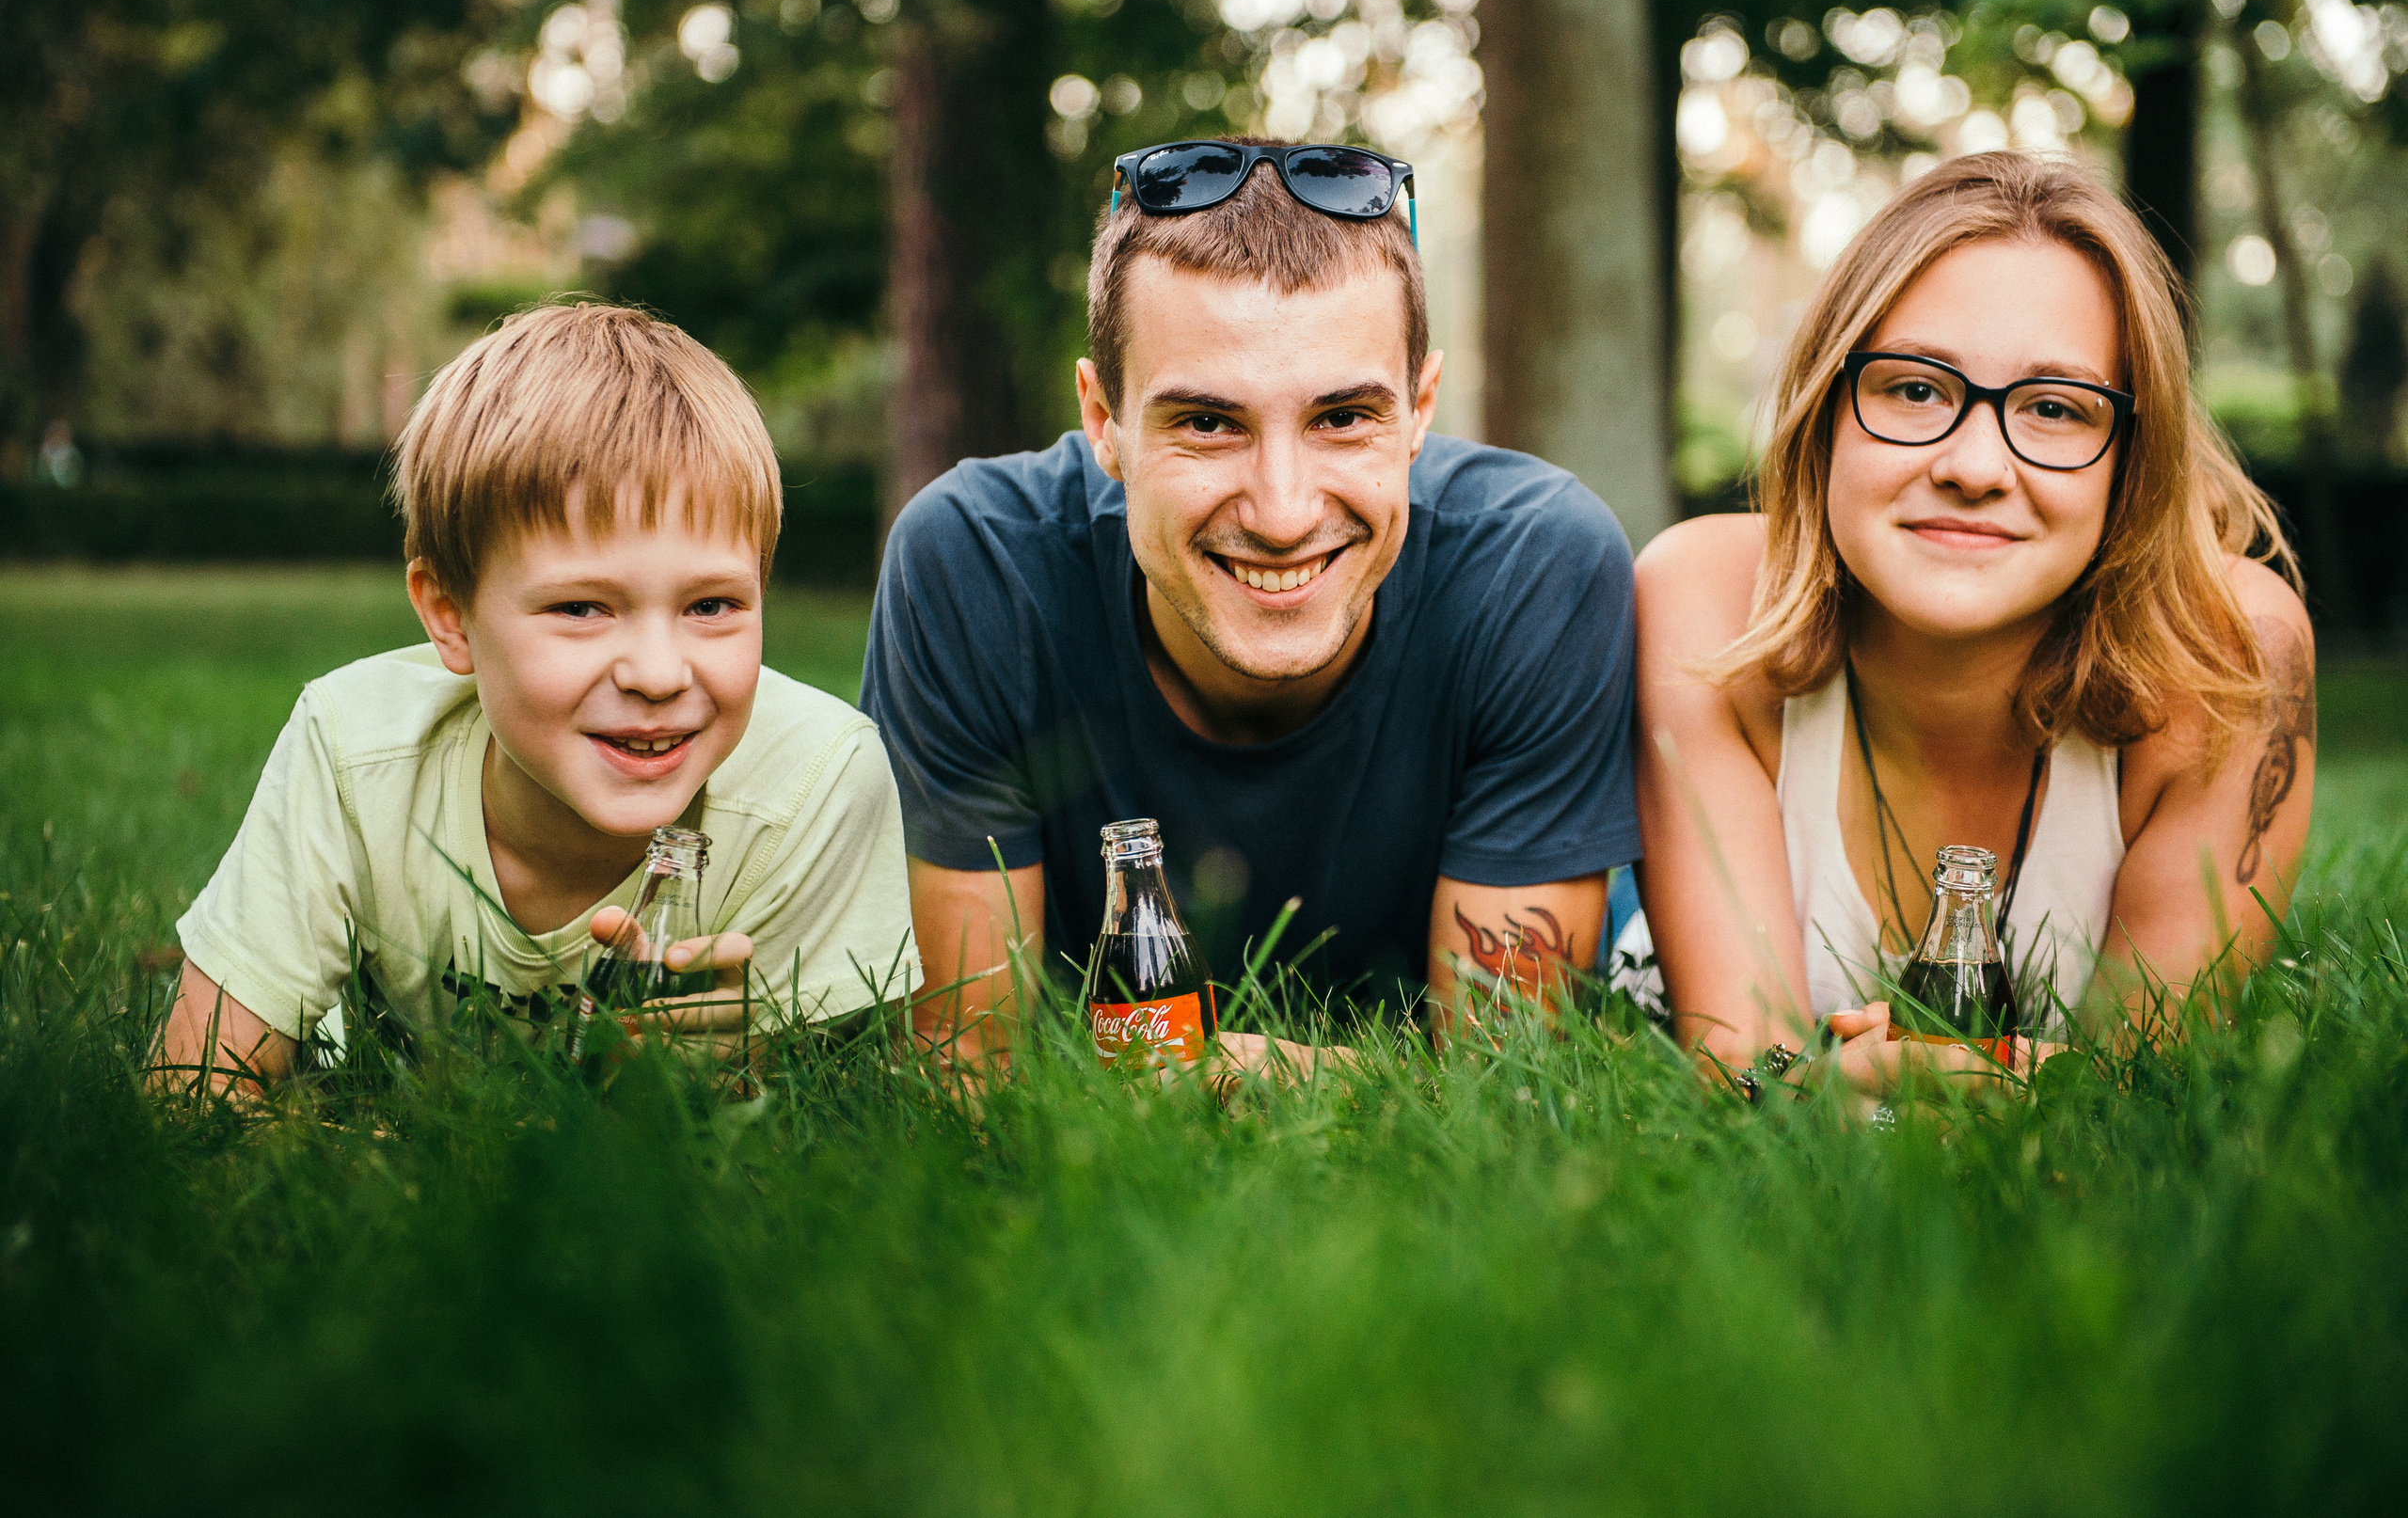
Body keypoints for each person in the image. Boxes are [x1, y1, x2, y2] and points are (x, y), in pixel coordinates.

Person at [862, 137, 1642, 1062]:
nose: (1282, 512)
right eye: (1205, 421)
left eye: (1343, 417)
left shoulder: (1532, 568)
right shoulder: (977, 567)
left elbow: (1506, 1087)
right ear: (1102, 420)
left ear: (1421, 408)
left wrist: (1212, 1071)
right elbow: (966, 1077)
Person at [1631, 150, 2314, 1100]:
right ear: (1828, 408)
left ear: (2132, 456)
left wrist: (1919, 1078)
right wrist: (1824, 1087)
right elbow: (1741, 1069)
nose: (1975, 464)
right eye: (1914, 389)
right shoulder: (1703, 598)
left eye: (2053, 408)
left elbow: (2138, 1099)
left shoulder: (2233, 653)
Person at [153, 304, 917, 1092]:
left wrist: (735, 1066)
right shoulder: (353, 751)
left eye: (711, 606)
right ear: (451, 616)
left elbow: (832, 1144)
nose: (657, 673)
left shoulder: (815, 785)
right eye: (581, 608)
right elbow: (194, 1092)